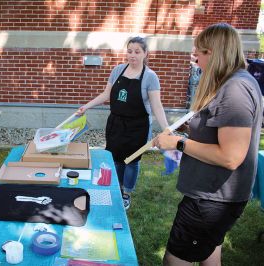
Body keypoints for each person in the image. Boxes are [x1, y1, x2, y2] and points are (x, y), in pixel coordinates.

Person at [153, 23, 263, 265]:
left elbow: (230, 156)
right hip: (214, 197)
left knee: (174, 260)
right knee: (210, 252)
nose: (196, 60)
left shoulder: (235, 89)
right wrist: (189, 129)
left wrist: (178, 143)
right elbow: (219, 131)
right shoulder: (233, 82)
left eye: (198, 54)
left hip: (212, 200)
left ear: (213, 52)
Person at [77, 37, 168, 210]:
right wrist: (86, 106)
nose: (132, 55)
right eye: (129, 51)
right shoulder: (118, 70)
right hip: (116, 123)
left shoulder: (150, 77)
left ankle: (126, 192)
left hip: (137, 127)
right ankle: (117, 188)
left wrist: (166, 129)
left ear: (145, 53)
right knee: (115, 158)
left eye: (137, 52)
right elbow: (106, 95)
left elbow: (157, 106)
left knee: (132, 161)